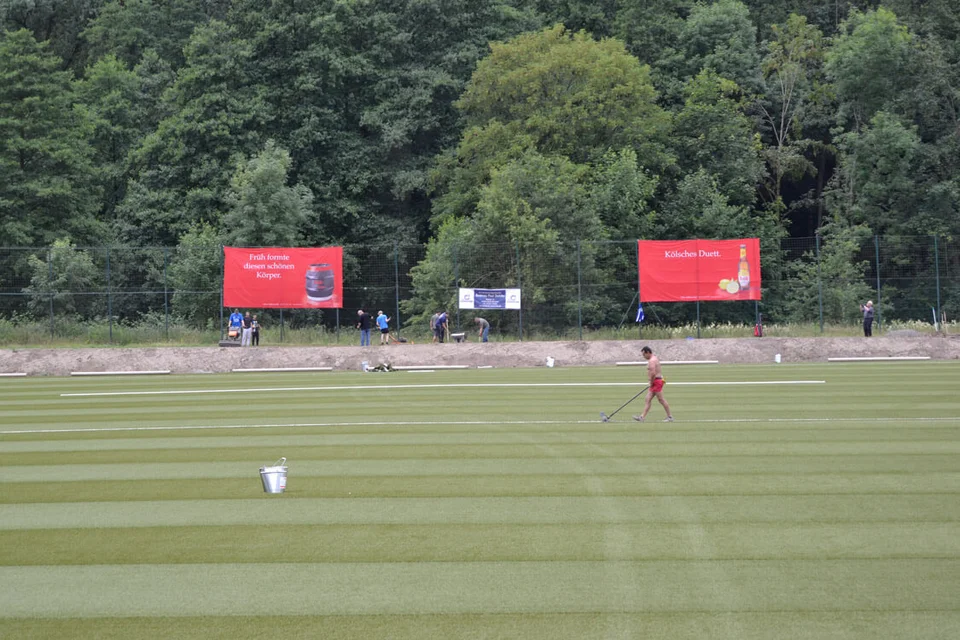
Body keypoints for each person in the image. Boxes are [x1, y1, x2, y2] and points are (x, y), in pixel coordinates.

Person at [633, 346, 673, 423]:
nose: (644, 357)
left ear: (648, 352)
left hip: (656, 382)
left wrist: (651, 382)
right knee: (647, 398)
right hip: (656, 381)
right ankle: (642, 417)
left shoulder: (652, 361)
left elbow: (653, 373)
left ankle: (670, 417)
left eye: (644, 355)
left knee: (661, 400)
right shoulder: (654, 358)